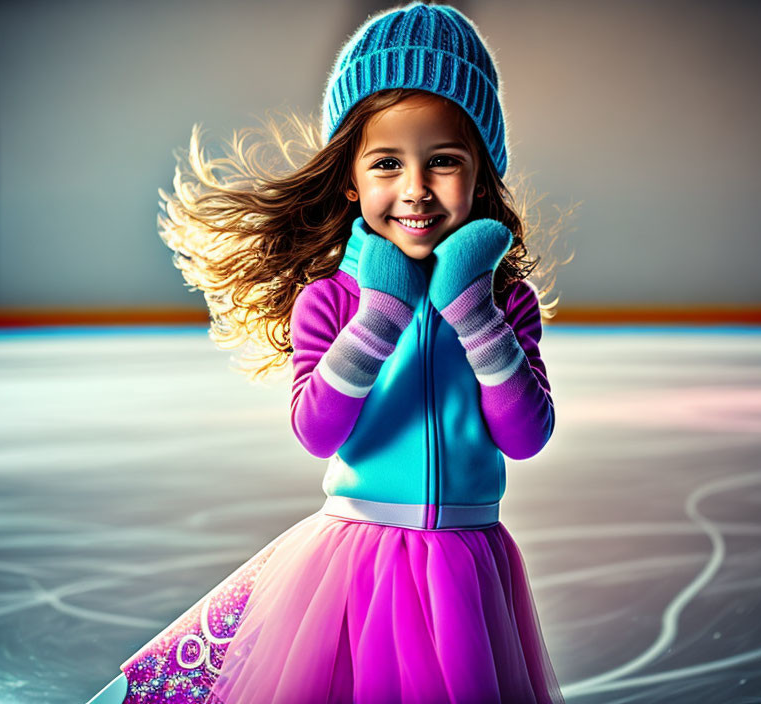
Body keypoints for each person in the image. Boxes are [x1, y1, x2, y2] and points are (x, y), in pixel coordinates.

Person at [87, 2, 567, 702]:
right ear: (350, 178)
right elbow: (318, 431)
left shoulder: (504, 304)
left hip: (468, 565)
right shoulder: (334, 302)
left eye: (443, 161)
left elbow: (526, 437)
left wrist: (475, 314)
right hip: (358, 562)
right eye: (386, 163)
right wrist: (379, 315)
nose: (414, 188)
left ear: (481, 173)